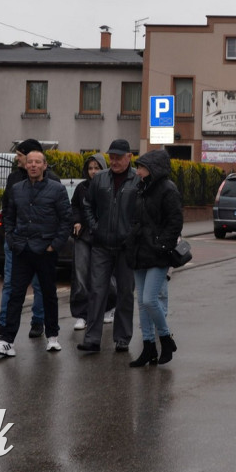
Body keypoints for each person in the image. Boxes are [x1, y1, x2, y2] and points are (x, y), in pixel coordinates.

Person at [0, 149, 72, 357]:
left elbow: (66, 220)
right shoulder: (17, 189)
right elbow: (9, 215)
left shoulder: (56, 189)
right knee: (15, 295)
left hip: (45, 250)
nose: (33, 165)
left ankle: (52, 336)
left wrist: (55, 244)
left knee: (48, 294)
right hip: (21, 249)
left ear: (44, 166)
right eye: (30, 162)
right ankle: (7, 341)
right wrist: (12, 238)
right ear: (26, 165)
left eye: (38, 162)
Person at [80, 138, 139, 353]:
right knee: (96, 291)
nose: (113, 161)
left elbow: (141, 213)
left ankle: (122, 338)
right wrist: (96, 228)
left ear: (129, 157)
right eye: (111, 157)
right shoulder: (100, 179)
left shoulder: (137, 180)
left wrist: (131, 234)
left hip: (126, 248)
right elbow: (88, 205)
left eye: (118, 157)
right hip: (101, 245)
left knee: (125, 293)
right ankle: (92, 339)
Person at [125, 150, 183, 367]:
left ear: (152, 168)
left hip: (158, 254)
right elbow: (134, 218)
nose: (137, 171)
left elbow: (175, 222)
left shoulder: (168, 189)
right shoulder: (141, 188)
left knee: (150, 299)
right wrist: (129, 239)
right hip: (139, 252)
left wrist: (162, 245)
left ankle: (166, 339)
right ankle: (148, 346)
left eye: (141, 167)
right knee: (142, 302)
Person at [69, 154, 107, 331]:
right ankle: (82, 315)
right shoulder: (81, 187)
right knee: (81, 275)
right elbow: (75, 206)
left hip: (103, 237)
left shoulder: (109, 186)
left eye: (96, 167)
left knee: (104, 276)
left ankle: (108, 308)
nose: (93, 171)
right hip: (84, 236)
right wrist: (76, 221)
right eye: (90, 168)